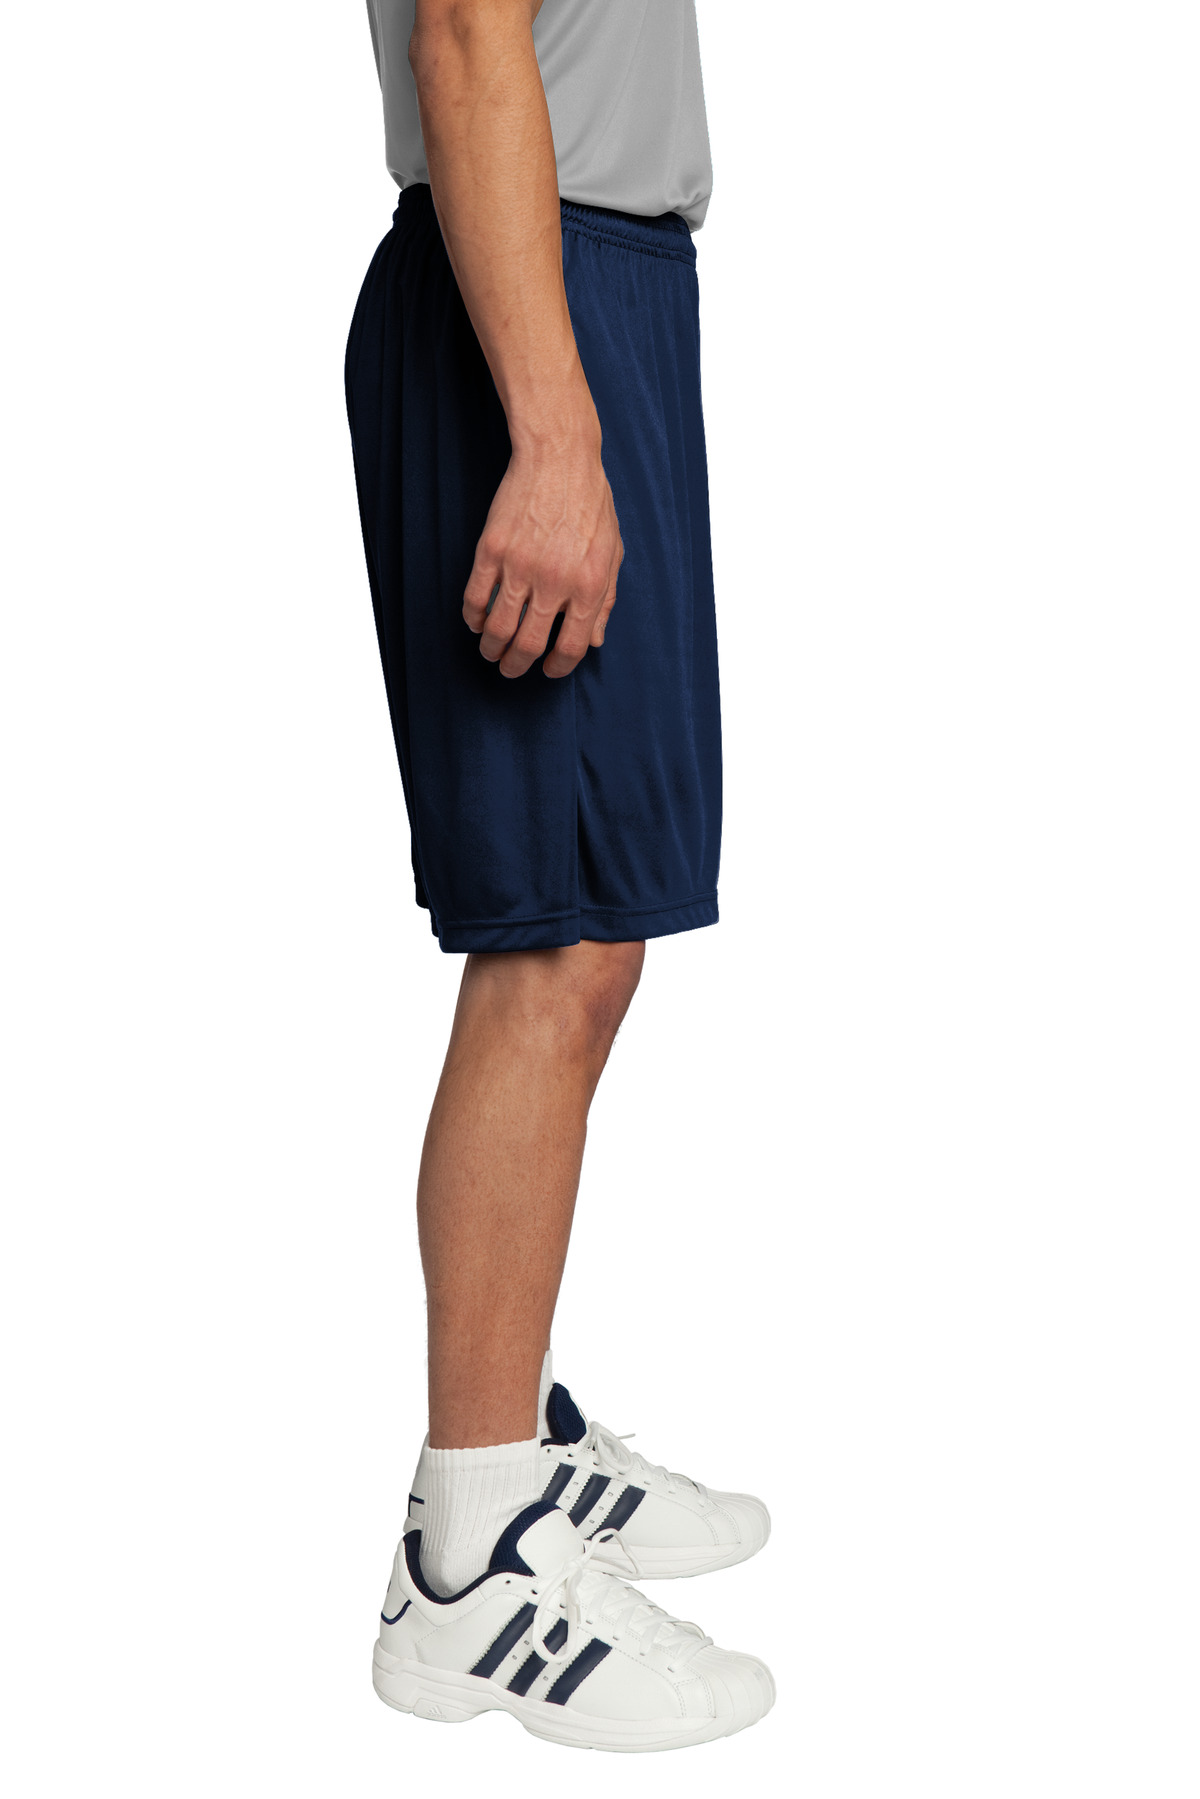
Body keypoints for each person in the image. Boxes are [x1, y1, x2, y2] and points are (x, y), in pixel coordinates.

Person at [346, 0, 773, 1750]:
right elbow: (464, 29)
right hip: (527, 296)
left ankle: (510, 1434)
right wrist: (554, 429)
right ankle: (472, 1556)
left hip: (590, 282)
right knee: (551, 941)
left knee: (597, 931)